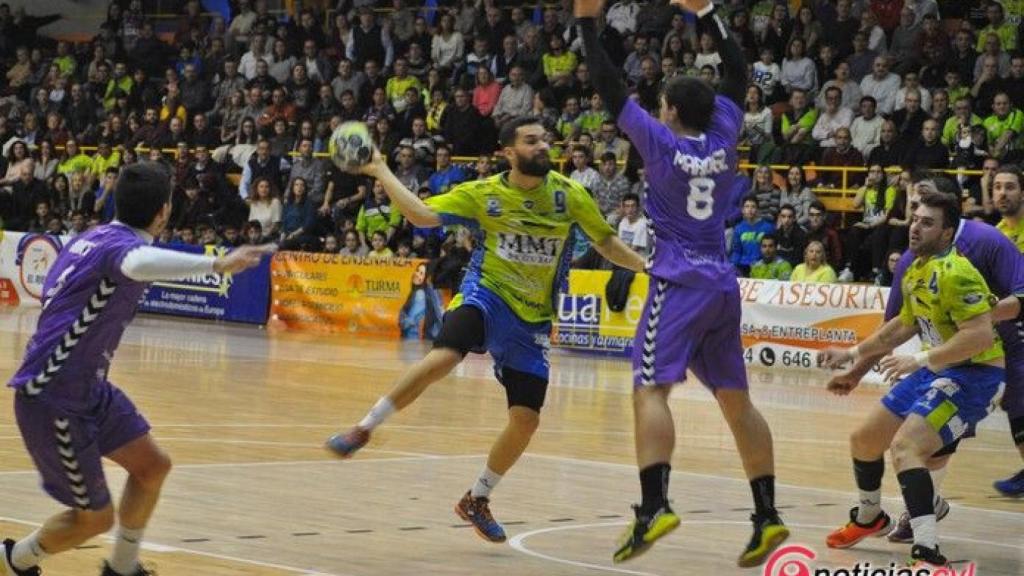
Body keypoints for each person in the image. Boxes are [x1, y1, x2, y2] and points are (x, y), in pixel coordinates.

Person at [325, 115, 645, 543]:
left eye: (544, 139)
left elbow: (606, 243)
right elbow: (421, 215)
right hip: (486, 295)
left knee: (526, 420)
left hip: (532, 318)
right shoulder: (484, 194)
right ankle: (364, 427)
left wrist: (650, 268)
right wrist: (381, 169)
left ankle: (477, 498)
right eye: (531, 141)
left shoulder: (569, 196)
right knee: (444, 357)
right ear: (508, 153)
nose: (543, 146)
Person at [577, 0, 788, 566]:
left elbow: (607, 85)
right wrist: (707, 13)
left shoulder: (660, 142)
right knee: (736, 401)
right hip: (722, 283)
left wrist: (585, 25)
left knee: (649, 388)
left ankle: (655, 506)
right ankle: (767, 515)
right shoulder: (724, 134)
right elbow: (739, 71)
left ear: (667, 110)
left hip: (677, 281)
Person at [3, 163, 272, 576]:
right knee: (94, 518)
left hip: (88, 388)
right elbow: (137, 262)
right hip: (54, 396)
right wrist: (215, 264)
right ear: (164, 211)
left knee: (152, 467)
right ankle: (12, 560)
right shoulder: (121, 249)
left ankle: (122, 568)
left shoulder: (92, 236)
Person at [826, 175, 1024, 543]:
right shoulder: (916, 267)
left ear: (948, 232)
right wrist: (852, 356)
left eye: (926, 222)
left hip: (975, 371)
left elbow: (979, 335)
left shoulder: (959, 270)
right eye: (914, 217)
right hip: (939, 367)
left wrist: (917, 360)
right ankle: (870, 516)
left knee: (908, 449)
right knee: (865, 440)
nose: (915, 226)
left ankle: (927, 546)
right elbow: (900, 326)